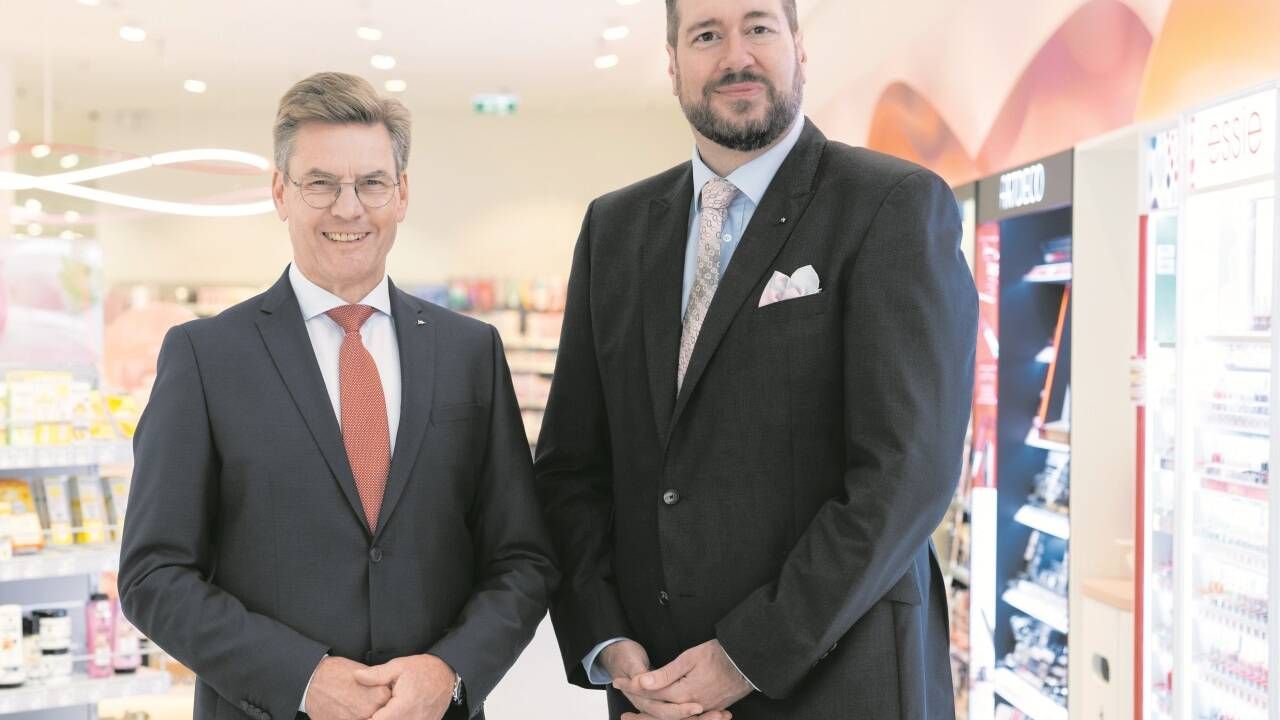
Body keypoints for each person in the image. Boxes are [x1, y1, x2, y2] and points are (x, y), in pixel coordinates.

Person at [533, 0, 977, 717]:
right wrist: (609, 640)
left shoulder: (890, 205)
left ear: (799, 44)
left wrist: (746, 654)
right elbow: (571, 468)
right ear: (673, 63)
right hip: (656, 693)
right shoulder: (614, 229)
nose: (736, 55)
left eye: (759, 26)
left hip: (836, 684)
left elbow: (905, 475)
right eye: (706, 35)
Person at [119, 72, 556, 720]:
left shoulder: (470, 352)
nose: (348, 208)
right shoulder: (207, 358)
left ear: (401, 193)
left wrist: (451, 670)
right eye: (321, 183)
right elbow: (154, 575)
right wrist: (300, 678)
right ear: (280, 192)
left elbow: (523, 558)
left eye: (371, 182)